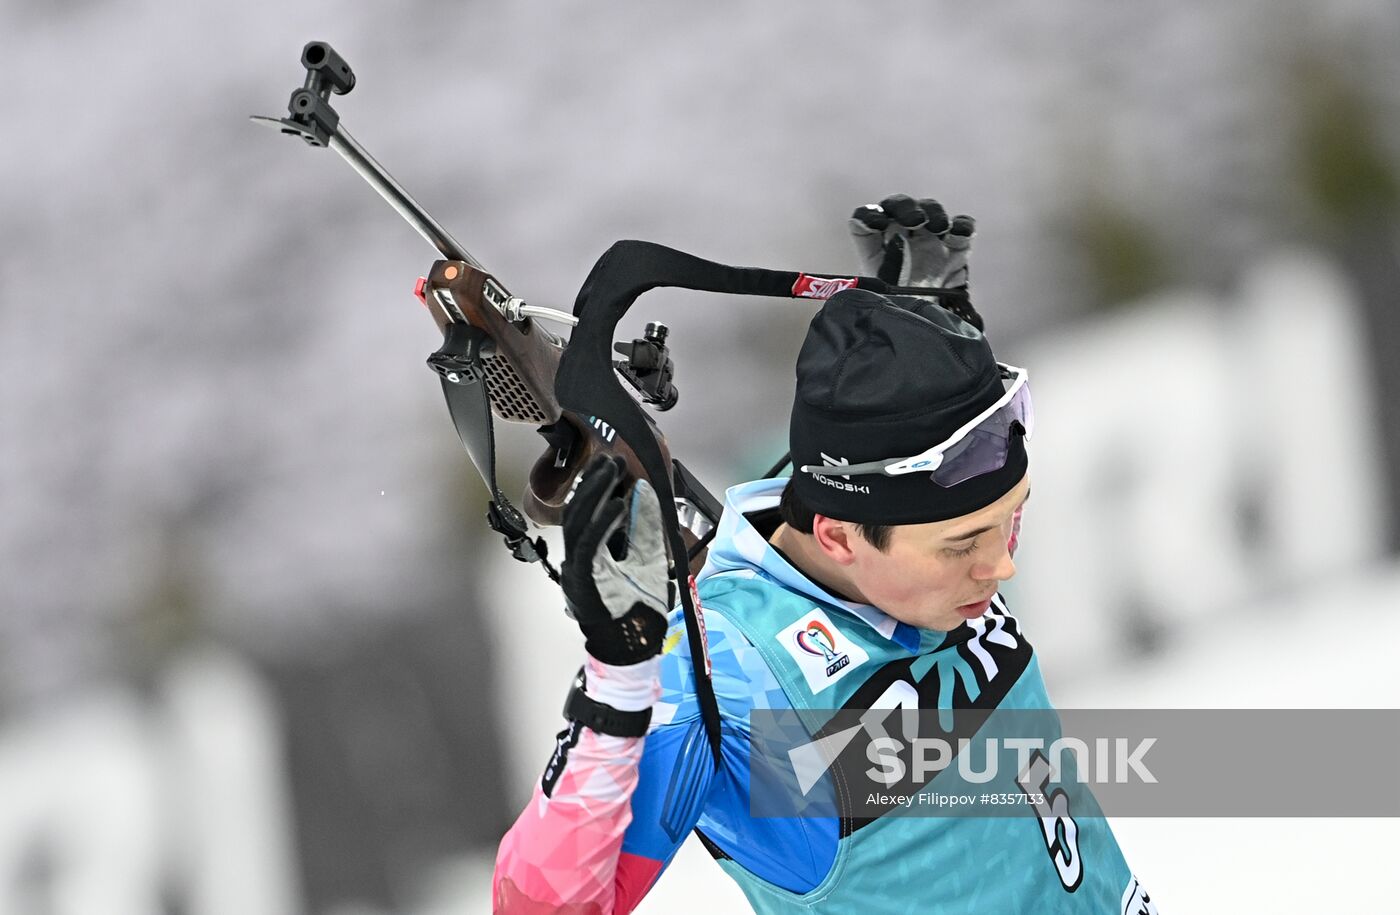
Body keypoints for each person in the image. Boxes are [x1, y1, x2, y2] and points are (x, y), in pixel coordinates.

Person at [492, 196, 1156, 913]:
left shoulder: (916, 564)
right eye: (963, 543)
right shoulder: (724, 682)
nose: (1001, 568)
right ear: (838, 535)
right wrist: (618, 692)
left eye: (1010, 520)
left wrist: (921, 344)